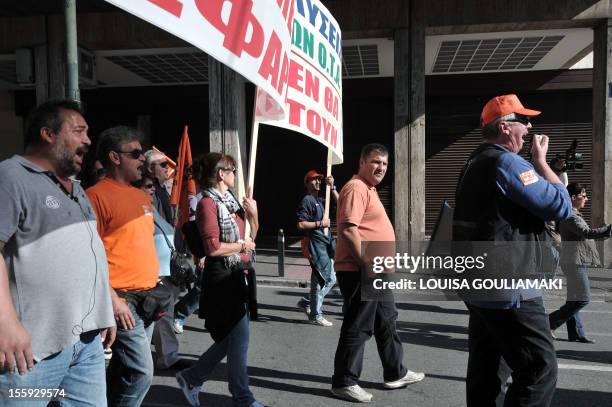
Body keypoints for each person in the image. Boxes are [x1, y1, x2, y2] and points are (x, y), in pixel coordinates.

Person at [452, 94, 573, 407]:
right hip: (509, 287)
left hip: (479, 284)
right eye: (524, 120)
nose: (530, 126)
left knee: (487, 368)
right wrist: (542, 163)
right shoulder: (507, 162)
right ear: (505, 128)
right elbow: (560, 206)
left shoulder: (474, 160)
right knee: (538, 369)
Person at [0, 100, 115, 406]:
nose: (88, 140)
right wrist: (6, 323)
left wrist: (108, 302)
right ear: (48, 134)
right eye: (79, 131)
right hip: (32, 353)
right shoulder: (11, 176)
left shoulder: (76, 188)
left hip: (87, 344)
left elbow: (87, 253)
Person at [331, 144, 425, 403]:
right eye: (375, 162)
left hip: (376, 269)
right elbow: (348, 230)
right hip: (362, 270)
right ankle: (344, 382)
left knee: (387, 321)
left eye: (384, 164)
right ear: (362, 162)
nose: (381, 168)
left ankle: (395, 372)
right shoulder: (356, 188)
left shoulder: (368, 189)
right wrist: (365, 263)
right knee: (358, 325)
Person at [175, 152, 263, 407]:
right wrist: (241, 245)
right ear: (221, 174)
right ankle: (242, 397)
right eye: (232, 169)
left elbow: (251, 237)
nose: (236, 173)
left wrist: (253, 214)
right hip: (221, 278)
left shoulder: (231, 201)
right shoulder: (207, 204)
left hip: (238, 275)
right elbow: (212, 248)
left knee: (231, 340)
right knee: (239, 340)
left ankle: (192, 377)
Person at [87, 126, 160, 406]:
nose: (143, 159)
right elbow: (89, 254)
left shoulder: (141, 196)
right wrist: (112, 299)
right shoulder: (95, 195)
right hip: (121, 300)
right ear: (115, 157)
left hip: (149, 298)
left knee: (122, 370)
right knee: (142, 372)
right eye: (136, 154)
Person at [136, 172, 193, 369]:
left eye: (153, 185)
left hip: (165, 271)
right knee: (153, 319)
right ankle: (146, 361)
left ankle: (165, 357)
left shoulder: (151, 207)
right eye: (148, 186)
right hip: (153, 273)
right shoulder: (137, 209)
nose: (153, 189)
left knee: (162, 317)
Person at [549, 183, 611, 343]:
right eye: (583, 196)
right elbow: (586, 232)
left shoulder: (573, 214)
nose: (586, 199)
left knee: (574, 299)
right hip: (573, 261)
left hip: (575, 260)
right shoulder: (570, 215)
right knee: (583, 298)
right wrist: (609, 229)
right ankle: (547, 323)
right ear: (573, 198)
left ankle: (576, 332)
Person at [296, 170, 339, 326]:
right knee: (322, 279)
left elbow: (341, 204)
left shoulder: (322, 200)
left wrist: (332, 187)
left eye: (319, 180)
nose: (318, 182)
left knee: (330, 278)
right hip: (315, 244)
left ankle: (308, 302)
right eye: (314, 180)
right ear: (307, 183)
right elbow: (301, 224)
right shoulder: (307, 200)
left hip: (326, 243)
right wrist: (320, 224)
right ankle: (315, 314)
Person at [145, 149, 174, 224]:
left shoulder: (164, 189)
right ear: (151, 168)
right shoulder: (148, 191)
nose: (168, 167)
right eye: (163, 164)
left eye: (167, 163)